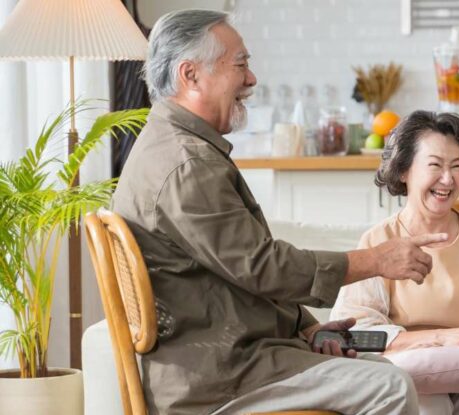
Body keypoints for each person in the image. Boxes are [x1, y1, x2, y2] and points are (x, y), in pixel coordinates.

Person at [112, 9, 438, 414]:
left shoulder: (173, 146)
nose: (251, 79)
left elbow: (232, 274)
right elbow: (262, 266)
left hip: (223, 357)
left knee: (378, 367)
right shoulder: (188, 165)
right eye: (241, 64)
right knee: (389, 386)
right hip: (218, 376)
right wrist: (377, 259)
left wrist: (305, 326)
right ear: (190, 74)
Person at [330, 110, 459, 415]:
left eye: (456, 166)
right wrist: (439, 339)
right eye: (435, 166)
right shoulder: (379, 240)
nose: (448, 179)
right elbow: (356, 332)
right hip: (408, 372)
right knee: (426, 404)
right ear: (403, 171)